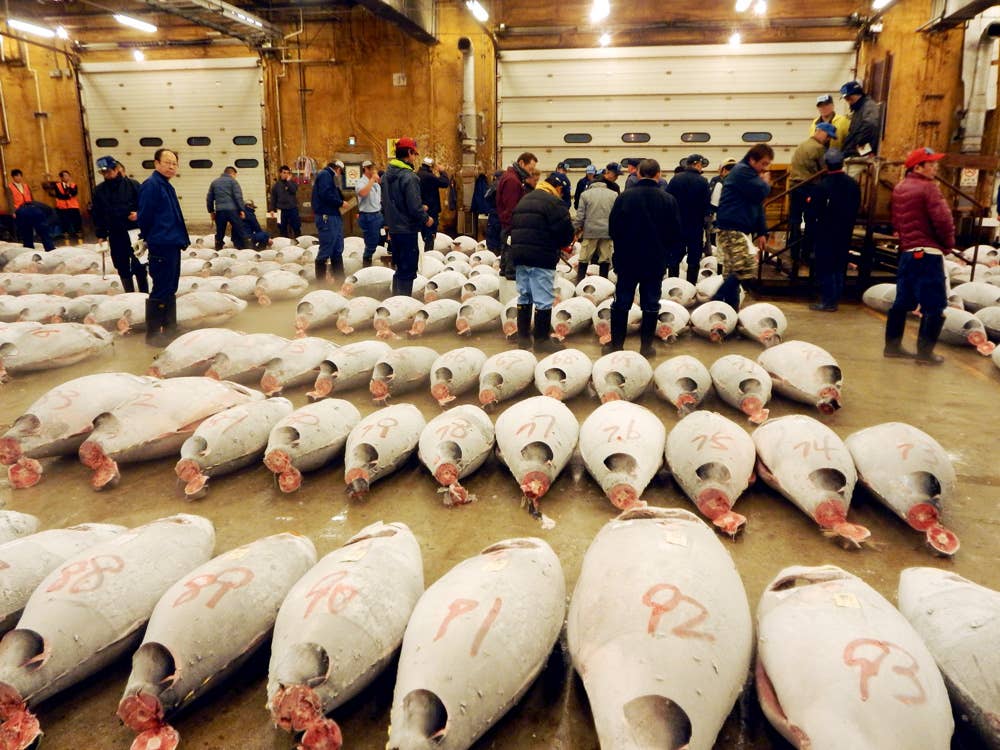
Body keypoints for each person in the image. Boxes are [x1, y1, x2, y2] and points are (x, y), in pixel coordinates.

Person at [884, 147, 956, 364]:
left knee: (903, 301)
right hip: (928, 253)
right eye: (931, 164)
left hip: (908, 253)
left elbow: (897, 221)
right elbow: (943, 220)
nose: (935, 167)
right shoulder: (929, 188)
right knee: (934, 304)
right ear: (918, 167)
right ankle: (925, 354)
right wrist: (948, 244)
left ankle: (892, 347)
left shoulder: (900, 188)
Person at [608, 158, 683, 356]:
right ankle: (646, 347)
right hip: (655, 261)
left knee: (622, 302)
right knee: (650, 303)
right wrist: (666, 254)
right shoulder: (668, 200)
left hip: (627, 260)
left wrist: (621, 249)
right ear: (658, 175)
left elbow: (614, 229)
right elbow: (676, 233)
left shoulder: (624, 197)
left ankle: (616, 346)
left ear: (638, 174)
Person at [509, 175, 575, 353]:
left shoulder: (525, 199)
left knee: (524, 295)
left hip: (519, 255)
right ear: (559, 188)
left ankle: (523, 338)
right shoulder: (554, 203)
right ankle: (541, 339)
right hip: (541, 256)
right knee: (543, 299)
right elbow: (566, 234)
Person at [713, 144, 774, 310]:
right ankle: (716, 300)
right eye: (763, 164)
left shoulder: (750, 175)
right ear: (752, 160)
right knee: (745, 267)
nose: (765, 168)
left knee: (731, 272)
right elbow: (763, 191)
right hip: (731, 227)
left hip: (737, 227)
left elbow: (758, 203)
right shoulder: (742, 171)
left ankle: (730, 311)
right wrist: (765, 182)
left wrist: (762, 232)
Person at [138, 148, 187, 346]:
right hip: (162, 243)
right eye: (167, 162)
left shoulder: (166, 185)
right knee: (160, 287)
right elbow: (145, 217)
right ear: (156, 163)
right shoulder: (151, 186)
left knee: (170, 286)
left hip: (172, 242)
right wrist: (153, 238)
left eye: (174, 163)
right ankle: (153, 334)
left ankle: (169, 328)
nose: (171, 166)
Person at [809, 149, 861, 311]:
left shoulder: (822, 186)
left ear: (826, 165)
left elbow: (813, 211)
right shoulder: (853, 184)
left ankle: (828, 301)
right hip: (845, 231)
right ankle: (836, 298)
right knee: (839, 266)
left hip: (826, 232)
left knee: (826, 267)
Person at [383, 137, 432, 297]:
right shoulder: (409, 177)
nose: (415, 157)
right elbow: (413, 207)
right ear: (409, 153)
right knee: (408, 270)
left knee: (400, 269)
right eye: (414, 154)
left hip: (394, 229)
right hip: (407, 230)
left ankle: (395, 302)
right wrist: (426, 217)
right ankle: (402, 305)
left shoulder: (386, 175)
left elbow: (389, 202)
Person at [787, 122, 836, 277]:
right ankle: (806, 253)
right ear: (820, 132)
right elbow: (824, 169)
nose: (828, 140)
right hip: (809, 187)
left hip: (795, 186)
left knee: (794, 219)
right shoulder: (819, 149)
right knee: (811, 220)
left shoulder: (802, 145)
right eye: (828, 136)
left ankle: (793, 250)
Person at [92, 155, 147, 293]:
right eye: (103, 172)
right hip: (115, 234)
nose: (106, 174)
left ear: (117, 169)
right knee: (121, 265)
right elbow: (98, 214)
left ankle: (144, 293)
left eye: (109, 171)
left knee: (139, 263)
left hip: (134, 232)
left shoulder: (133, 185)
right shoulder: (99, 191)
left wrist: (139, 215)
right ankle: (128, 294)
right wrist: (101, 234)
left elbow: (146, 206)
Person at [668, 154, 712, 283]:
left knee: (674, 257)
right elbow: (706, 205)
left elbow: (668, 200)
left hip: (677, 225)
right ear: (697, 164)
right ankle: (690, 285)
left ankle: (673, 283)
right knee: (694, 257)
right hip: (695, 226)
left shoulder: (675, 179)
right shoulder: (703, 181)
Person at [496, 152, 538, 277]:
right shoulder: (512, 181)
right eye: (530, 168)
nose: (531, 172)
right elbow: (512, 207)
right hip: (511, 225)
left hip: (508, 224)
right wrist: (514, 226)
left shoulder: (512, 177)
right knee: (511, 265)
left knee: (506, 258)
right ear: (521, 163)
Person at [573, 166, 617, 281]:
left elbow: (580, 216)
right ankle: (603, 282)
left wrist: (575, 229)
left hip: (590, 232)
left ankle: (580, 281)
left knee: (584, 259)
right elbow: (616, 216)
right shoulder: (613, 195)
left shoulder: (585, 195)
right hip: (607, 232)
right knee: (605, 258)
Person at [311, 159, 346, 282]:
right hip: (326, 216)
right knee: (326, 248)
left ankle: (340, 280)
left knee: (337, 248)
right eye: (340, 172)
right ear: (338, 169)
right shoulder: (325, 175)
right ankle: (321, 284)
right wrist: (340, 202)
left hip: (334, 215)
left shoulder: (330, 177)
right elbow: (325, 194)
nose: (340, 175)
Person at [840, 81, 882, 179]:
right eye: (846, 98)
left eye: (849, 97)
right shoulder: (858, 109)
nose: (847, 100)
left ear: (857, 93)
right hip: (854, 152)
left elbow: (870, 125)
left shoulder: (868, 106)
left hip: (860, 152)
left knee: (844, 180)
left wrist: (858, 143)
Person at [206, 166, 248, 250]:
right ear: (233, 173)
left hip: (220, 211)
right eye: (235, 175)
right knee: (239, 229)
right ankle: (245, 248)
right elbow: (238, 197)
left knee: (220, 232)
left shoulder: (214, 182)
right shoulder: (233, 182)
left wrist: (211, 211)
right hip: (232, 211)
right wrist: (242, 210)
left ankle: (218, 248)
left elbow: (209, 198)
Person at [418, 157, 450, 253]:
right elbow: (444, 183)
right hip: (431, 210)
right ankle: (428, 254)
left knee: (421, 234)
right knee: (430, 235)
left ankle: (422, 254)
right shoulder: (429, 177)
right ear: (431, 167)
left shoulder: (417, 174)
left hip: (420, 209)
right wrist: (442, 171)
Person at [356, 160, 383, 267]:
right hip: (368, 216)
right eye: (371, 169)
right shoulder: (360, 182)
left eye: (374, 168)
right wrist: (371, 180)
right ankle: (366, 262)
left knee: (379, 239)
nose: (374, 171)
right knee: (371, 242)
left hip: (378, 214)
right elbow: (363, 193)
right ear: (365, 169)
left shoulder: (376, 184)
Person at [269, 165, 301, 238]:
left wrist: (288, 181)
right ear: (280, 173)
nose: (285, 174)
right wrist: (272, 209)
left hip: (292, 208)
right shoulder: (276, 185)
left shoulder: (292, 183)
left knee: (296, 226)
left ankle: (298, 242)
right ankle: (285, 244)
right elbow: (273, 197)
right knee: (282, 228)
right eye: (284, 172)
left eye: (287, 173)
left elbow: (293, 190)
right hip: (281, 210)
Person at [53, 171, 81, 241]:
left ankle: (78, 234)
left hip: (73, 206)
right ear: (61, 177)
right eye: (65, 176)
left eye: (68, 175)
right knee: (64, 221)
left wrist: (68, 187)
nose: (67, 177)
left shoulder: (73, 185)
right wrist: (68, 195)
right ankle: (66, 235)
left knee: (76, 220)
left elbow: (74, 193)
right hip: (62, 207)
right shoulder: (57, 185)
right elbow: (59, 195)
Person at [484, 170, 503, 252]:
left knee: (492, 236)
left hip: (494, 213)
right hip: (503, 214)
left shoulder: (494, 184)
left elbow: (486, 196)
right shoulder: (507, 184)